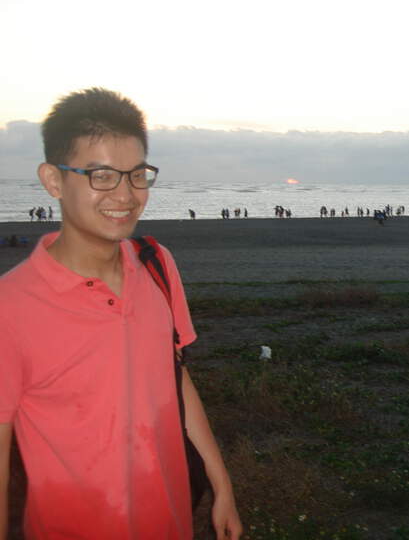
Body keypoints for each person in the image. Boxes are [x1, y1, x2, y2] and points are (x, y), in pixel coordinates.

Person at [0, 88, 243, 539]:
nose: (126, 194)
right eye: (102, 176)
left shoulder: (156, 265)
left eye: (136, 175)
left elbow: (174, 377)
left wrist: (221, 482)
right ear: (53, 180)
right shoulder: (10, 307)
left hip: (170, 521)